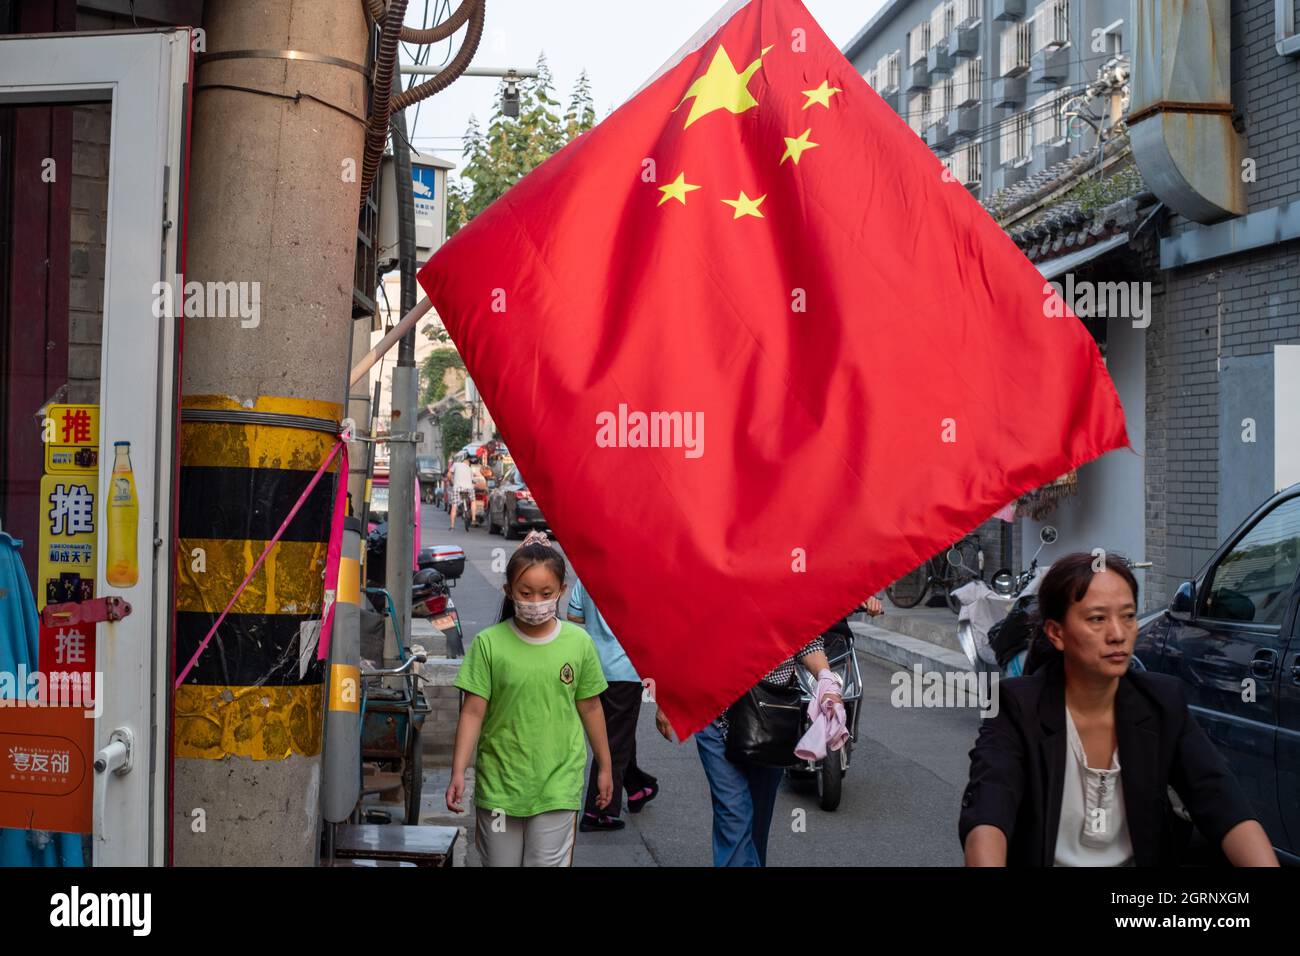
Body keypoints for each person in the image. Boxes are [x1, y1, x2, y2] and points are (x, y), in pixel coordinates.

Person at [960, 552, 1279, 867]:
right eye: (1097, 619)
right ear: (1057, 633)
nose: (1117, 634)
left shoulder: (1161, 702)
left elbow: (1223, 803)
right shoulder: (1017, 707)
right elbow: (989, 814)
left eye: (1127, 616)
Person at [655, 597, 883, 867]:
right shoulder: (712, 569)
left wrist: (825, 678)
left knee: (758, 822)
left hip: (770, 715)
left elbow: (806, 639)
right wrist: (669, 695)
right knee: (734, 815)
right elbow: (687, 630)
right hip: (714, 714)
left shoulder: (789, 579)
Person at [445, 531, 613, 866]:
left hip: (558, 786)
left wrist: (605, 766)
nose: (535, 601)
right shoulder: (488, 644)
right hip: (499, 787)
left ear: (561, 592)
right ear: (508, 591)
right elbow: (473, 712)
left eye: (545, 593)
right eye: (525, 592)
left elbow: (591, 707)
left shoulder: (578, 644)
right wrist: (459, 771)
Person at [567, 577, 659, 831]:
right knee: (614, 741)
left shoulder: (586, 576)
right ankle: (599, 811)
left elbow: (573, 616)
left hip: (593, 666)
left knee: (617, 733)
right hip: (624, 670)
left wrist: (598, 627)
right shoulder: (637, 578)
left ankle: (639, 787)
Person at [448, 454, 474, 530]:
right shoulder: (469, 469)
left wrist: (451, 482)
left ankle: (452, 526)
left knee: (454, 506)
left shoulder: (455, 465)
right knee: (473, 501)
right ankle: (474, 519)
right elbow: (472, 480)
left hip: (457, 488)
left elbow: (449, 475)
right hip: (469, 488)